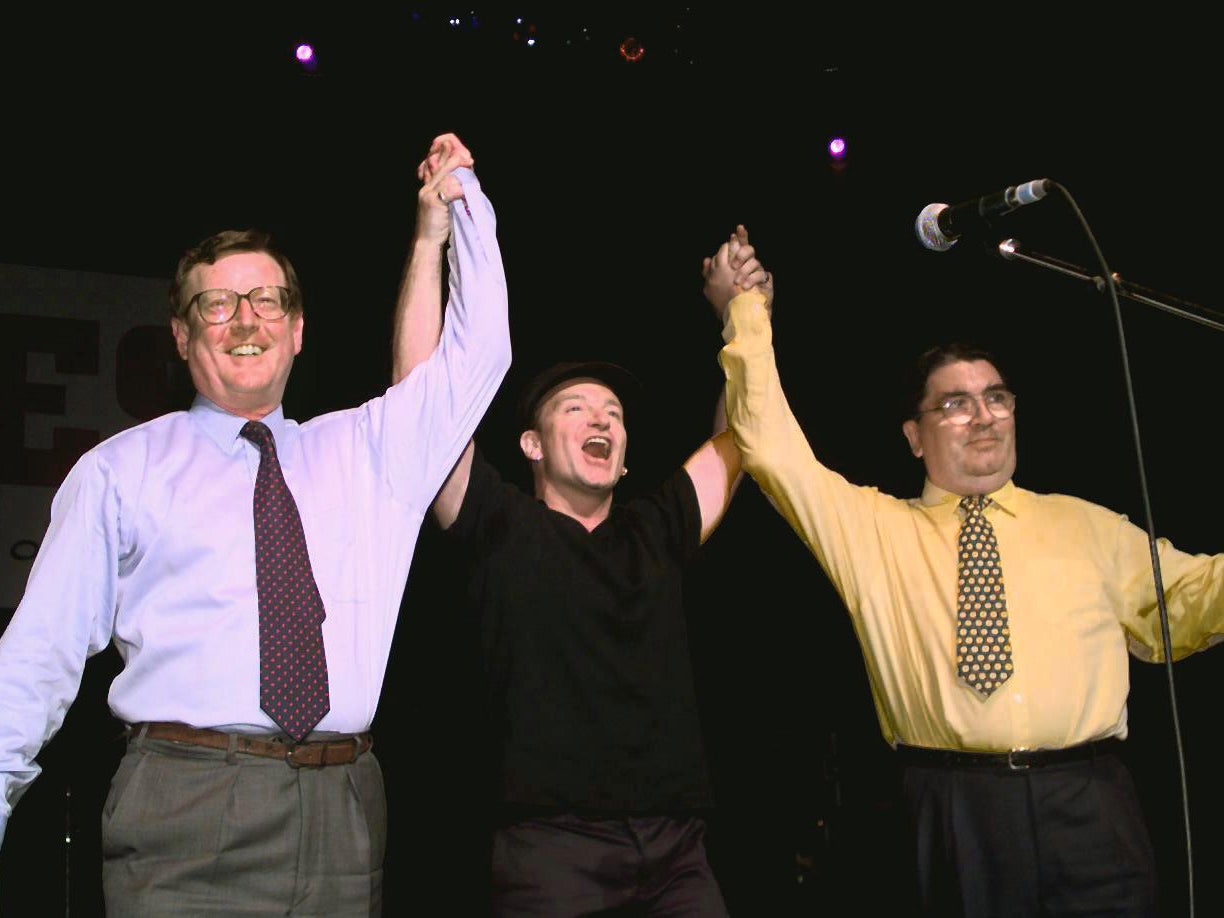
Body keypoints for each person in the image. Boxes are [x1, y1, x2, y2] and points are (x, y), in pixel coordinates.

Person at [0, 134, 510, 914]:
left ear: (298, 329)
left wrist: (453, 214)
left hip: (345, 811)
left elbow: (479, 358)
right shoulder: (120, 469)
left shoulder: (370, 452)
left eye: (267, 300)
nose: (246, 320)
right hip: (185, 806)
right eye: (217, 303)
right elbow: (38, 655)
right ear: (182, 335)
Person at [712, 228, 1224, 916]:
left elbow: (1191, 603)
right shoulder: (873, 529)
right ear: (914, 435)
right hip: (956, 811)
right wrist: (747, 311)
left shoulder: (1089, 525)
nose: (983, 416)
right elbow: (769, 446)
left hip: (1093, 806)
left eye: (997, 397)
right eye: (954, 403)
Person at [393, 197, 768, 913]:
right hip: (551, 855)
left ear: (625, 459)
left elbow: (740, 439)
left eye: (615, 415)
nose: (601, 417)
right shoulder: (501, 524)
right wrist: (429, 240)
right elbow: (419, 404)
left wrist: (747, 315)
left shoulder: (656, 528)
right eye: (576, 408)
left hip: (678, 854)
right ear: (531, 445)